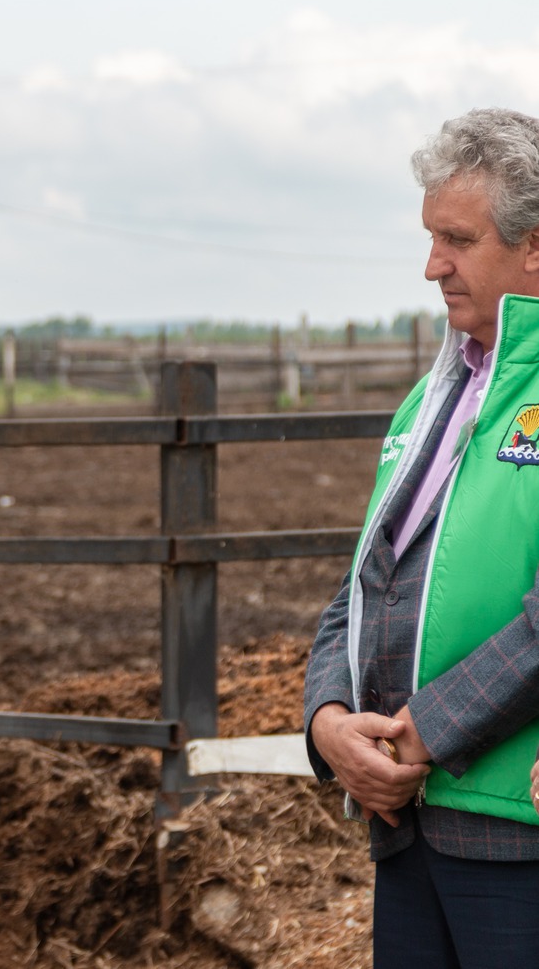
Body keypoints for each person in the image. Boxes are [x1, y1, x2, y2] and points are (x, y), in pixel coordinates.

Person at [304, 107, 539, 968]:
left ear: (534, 245)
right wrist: (329, 726)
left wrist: (423, 730)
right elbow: (366, 584)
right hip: (403, 825)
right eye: (429, 236)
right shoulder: (431, 396)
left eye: (456, 239)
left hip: (513, 831)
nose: (431, 265)